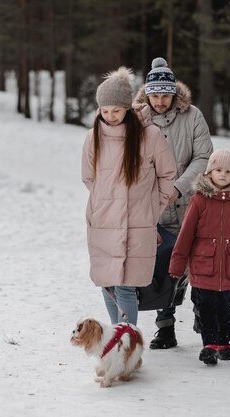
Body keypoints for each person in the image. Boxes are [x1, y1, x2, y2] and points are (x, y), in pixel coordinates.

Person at [81, 66, 177, 326]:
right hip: (104, 222)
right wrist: (106, 203)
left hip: (138, 222)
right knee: (108, 284)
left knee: (125, 286)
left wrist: (152, 207)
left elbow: (168, 175)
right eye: (105, 111)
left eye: (116, 110)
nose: (110, 116)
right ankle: (118, 342)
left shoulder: (150, 136)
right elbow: (89, 177)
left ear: (127, 108)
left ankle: (127, 342)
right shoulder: (93, 138)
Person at [134, 57, 213, 349]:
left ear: (174, 94)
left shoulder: (193, 116)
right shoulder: (138, 120)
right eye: (155, 95)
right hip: (154, 205)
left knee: (197, 264)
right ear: (147, 94)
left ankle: (201, 310)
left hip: (191, 203)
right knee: (163, 267)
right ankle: (165, 327)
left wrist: (180, 187)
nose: (161, 101)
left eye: (166, 95)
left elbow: (204, 156)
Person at [169, 149, 230, 365]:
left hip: (229, 267)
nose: (223, 175)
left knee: (224, 308)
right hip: (202, 265)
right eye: (218, 169)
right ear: (209, 172)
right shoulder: (199, 201)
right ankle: (209, 344)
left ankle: (224, 343)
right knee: (206, 307)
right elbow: (186, 234)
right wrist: (177, 265)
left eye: (228, 171)